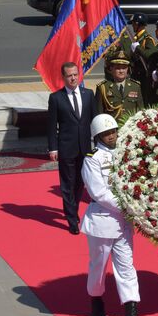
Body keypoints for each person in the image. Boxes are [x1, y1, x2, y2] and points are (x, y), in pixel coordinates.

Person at [81, 114, 149, 316]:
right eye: (107, 134)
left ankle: (131, 314)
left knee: (126, 267)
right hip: (102, 220)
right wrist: (127, 206)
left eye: (113, 132)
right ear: (98, 136)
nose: (112, 136)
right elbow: (98, 192)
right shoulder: (93, 158)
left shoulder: (126, 153)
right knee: (98, 266)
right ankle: (96, 301)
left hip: (123, 223)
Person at [47, 63, 96, 234]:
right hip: (66, 147)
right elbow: (51, 126)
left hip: (85, 148)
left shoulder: (88, 95)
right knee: (67, 184)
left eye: (75, 74)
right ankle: (72, 218)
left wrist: (99, 145)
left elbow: (94, 121)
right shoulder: (56, 98)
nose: (73, 78)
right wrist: (52, 148)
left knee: (80, 183)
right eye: (69, 76)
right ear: (64, 77)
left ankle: (72, 209)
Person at [95, 50, 143, 120]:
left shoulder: (135, 86)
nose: (121, 71)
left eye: (124, 68)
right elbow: (99, 114)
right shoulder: (103, 87)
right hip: (112, 128)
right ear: (111, 69)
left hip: (131, 128)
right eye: (118, 68)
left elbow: (140, 111)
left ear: (128, 69)